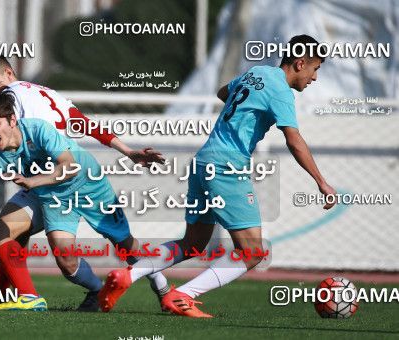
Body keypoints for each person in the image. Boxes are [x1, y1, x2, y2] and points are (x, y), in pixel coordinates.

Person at [97, 34, 337, 317]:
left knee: (193, 244)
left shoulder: (257, 72)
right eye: (315, 69)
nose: (315, 77)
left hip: (203, 162)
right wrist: (321, 182)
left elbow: (224, 92)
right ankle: (183, 295)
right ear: (299, 63)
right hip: (227, 166)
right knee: (253, 252)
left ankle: (129, 275)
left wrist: (248, 112)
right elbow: (294, 140)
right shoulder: (281, 91)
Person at [0, 81, 168, 311]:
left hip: (88, 183)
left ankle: (164, 290)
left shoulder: (38, 130)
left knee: (125, 244)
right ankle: (86, 292)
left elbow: (69, 166)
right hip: (54, 197)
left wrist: (33, 181)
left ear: (12, 119)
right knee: (62, 260)